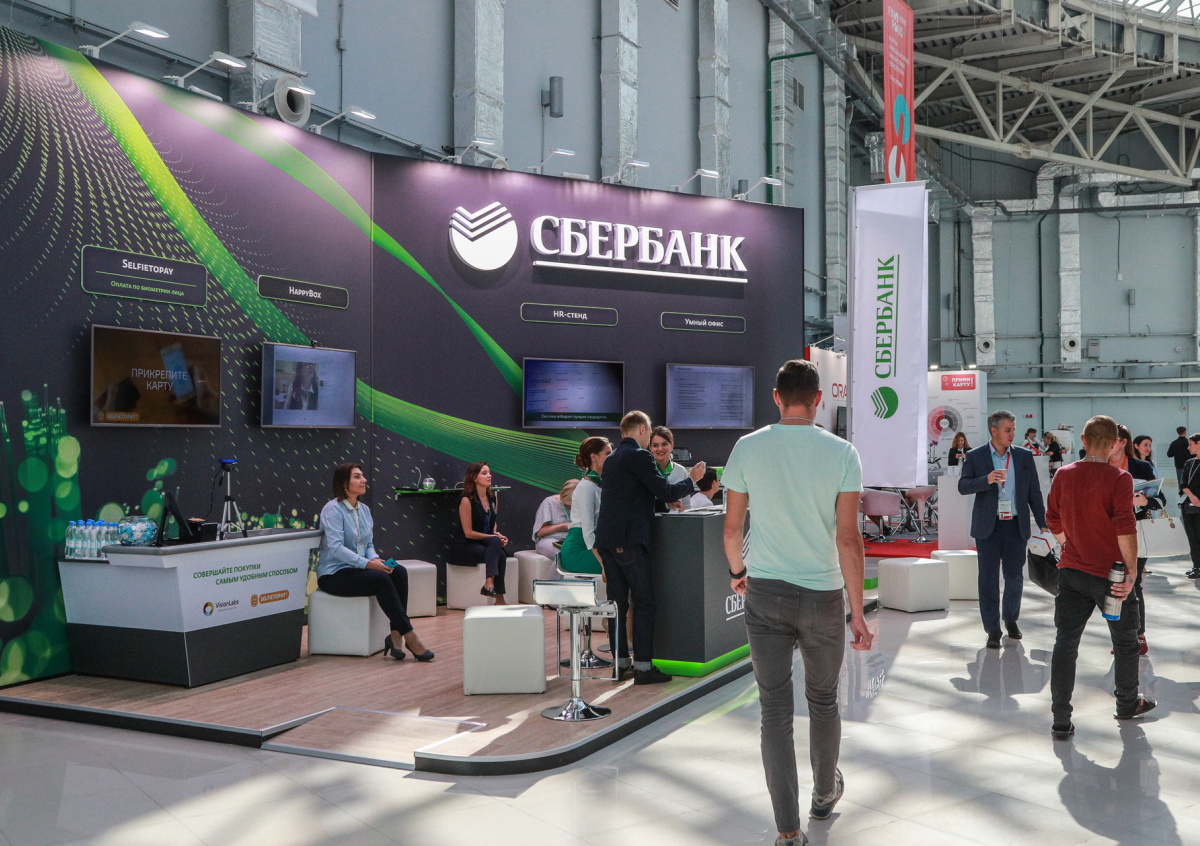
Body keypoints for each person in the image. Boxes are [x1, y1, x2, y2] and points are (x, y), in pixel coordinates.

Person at [722, 359, 873, 846]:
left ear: (776, 397)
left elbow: (731, 530)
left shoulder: (747, 447)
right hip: (823, 596)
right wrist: (857, 612)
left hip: (765, 592)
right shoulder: (843, 452)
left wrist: (739, 573)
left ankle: (788, 832)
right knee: (824, 702)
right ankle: (824, 795)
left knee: (774, 711)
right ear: (819, 400)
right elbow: (849, 540)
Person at [1046, 415, 1155, 740]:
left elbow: (1052, 519)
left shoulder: (1063, 474)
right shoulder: (1119, 478)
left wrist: (1069, 545)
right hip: (1112, 575)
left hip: (1072, 574)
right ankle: (1126, 703)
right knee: (1125, 642)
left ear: (1083, 440)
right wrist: (1132, 571)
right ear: (1113, 444)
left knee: (1065, 643)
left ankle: (1061, 719)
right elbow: (1125, 527)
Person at [595, 411, 705, 684]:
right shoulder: (640, 456)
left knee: (618, 605)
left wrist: (662, 502)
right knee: (644, 603)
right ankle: (643, 668)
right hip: (630, 542)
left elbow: (631, 495)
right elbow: (665, 490)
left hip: (608, 542)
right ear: (643, 430)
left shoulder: (612, 459)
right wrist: (692, 479)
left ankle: (621, 664)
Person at [317, 463, 434, 661]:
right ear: (344, 483)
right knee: (380, 580)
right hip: (334, 574)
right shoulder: (332, 510)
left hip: (358, 568)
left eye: (362, 476)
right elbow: (336, 549)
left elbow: (368, 544)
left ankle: (395, 634)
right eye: (357, 477)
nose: (364, 480)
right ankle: (410, 635)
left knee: (399, 571)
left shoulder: (364, 510)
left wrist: (374, 558)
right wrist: (368, 564)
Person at [958, 409, 1048, 649]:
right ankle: (992, 630)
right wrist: (986, 480)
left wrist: (1043, 522)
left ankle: (1011, 620)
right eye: (1008, 430)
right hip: (988, 527)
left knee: (1014, 577)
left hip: (1016, 525)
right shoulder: (975, 456)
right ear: (994, 430)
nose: (1012, 434)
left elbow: (1034, 491)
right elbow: (963, 486)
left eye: (1013, 430)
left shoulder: (1023, 456)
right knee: (988, 580)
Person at [1113, 425, 1160, 655]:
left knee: (1133, 584)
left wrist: (1145, 501)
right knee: (1113, 585)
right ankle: (1121, 637)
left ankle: (1138, 634)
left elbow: (1160, 500)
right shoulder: (1100, 466)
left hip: (1136, 532)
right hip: (1107, 533)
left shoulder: (1141, 466)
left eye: (1111, 440)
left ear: (1123, 442)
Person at [454, 462, 509, 601]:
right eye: (484, 473)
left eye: (489, 473)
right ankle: (495, 591)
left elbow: (492, 523)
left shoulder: (493, 498)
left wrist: (496, 534)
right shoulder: (466, 500)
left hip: (485, 542)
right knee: (499, 552)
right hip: (466, 544)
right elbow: (468, 533)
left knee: (500, 550)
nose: (489, 476)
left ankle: (493, 589)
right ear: (474, 477)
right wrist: (493, 537)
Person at [558, 437, 611, 576]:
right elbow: (588, 531)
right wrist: (603, 563)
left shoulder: (598, 485)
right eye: (608, 453)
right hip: (578, 551)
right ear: (594, 457)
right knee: (619, 564)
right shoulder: (587, 487)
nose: (612, 458)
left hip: (592, 546)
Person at [648, 426, 692, 511]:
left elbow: (687, 506)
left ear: (672, 445)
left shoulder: (681, 471)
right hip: (651, 518)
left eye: (664, 444)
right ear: (650, 447)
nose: (660, 449)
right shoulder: (647, 471)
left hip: (675, 519)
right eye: (655, 445)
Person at [531, 479, 577, 559]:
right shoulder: (549, 503)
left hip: (572, 540)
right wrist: (563, 526)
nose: (571, 506)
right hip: (550, 539)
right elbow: (539, 532)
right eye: (569, 504)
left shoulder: (582, 504)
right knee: (564, 554)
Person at [1178, 434, 1200, 580]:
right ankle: (1196, 566)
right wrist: (1192, 496)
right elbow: (1183, 483)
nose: (1188, 447)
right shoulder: (1189, 463)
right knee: (1192, 536)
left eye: (1191, 444)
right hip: (1189, 505)